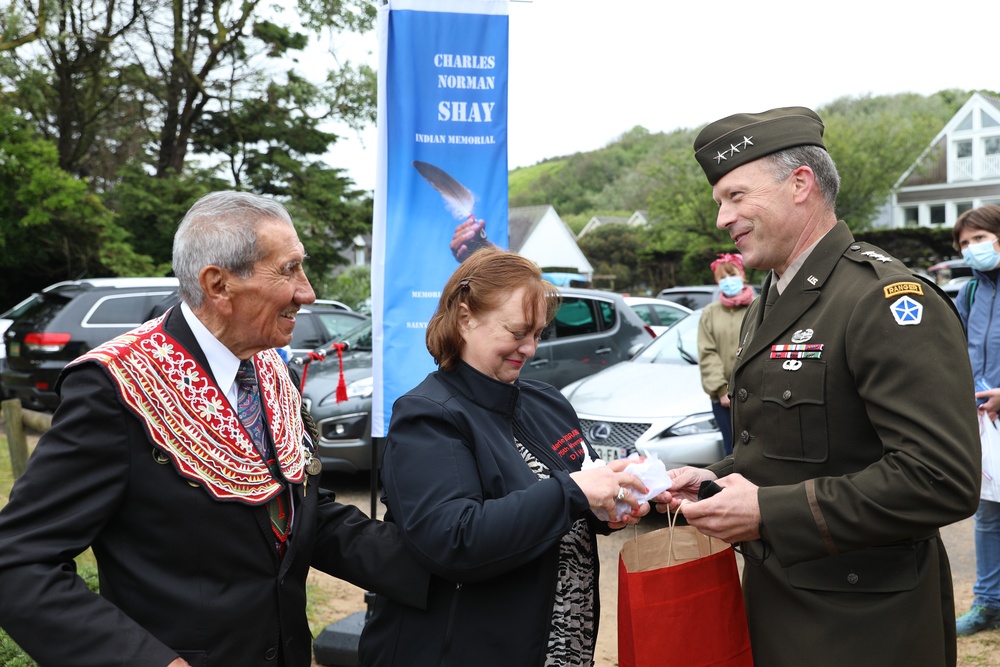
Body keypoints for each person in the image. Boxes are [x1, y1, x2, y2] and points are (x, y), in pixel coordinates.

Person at [0, 191, 428, 667]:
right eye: (288, 270)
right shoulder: (115, 388)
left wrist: (448, 568)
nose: (307, 292)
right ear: (218, 285)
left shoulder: (269, 369)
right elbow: (19, 564)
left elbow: (302, 518)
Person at [654, 106, 981, 666]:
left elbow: (940, 480)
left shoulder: (885, 301)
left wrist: (766, 513)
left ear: (800, 183)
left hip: (864, 629)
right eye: (719, 203)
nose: (722, 218)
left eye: (736, 196)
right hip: (781, 606)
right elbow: (786, 454)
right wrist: (715, 480)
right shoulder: (771, 302)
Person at [358, 246, 649, 667]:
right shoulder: (428, 414)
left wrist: (606, 504)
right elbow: (454, 539)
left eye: (538, 334)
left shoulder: (546, 401)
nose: (530, 348)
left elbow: (562, 500)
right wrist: (574, 492)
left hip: (560, 648)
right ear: (464, 317)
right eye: (517, 332)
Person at [953, 204, 1000, 635]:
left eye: (980, 238)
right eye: (965, 243)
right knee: (986, 516)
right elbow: (957, 356)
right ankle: (988, 604)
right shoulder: (968, 293)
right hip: (985, 424)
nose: (973, 249)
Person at [697, 252, 753, 455]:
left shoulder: (760, 306)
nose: (728, 281)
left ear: (742, 275)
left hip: (755, 396)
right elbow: (707, 353)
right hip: (723, 401)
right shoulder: (710, 313)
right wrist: (721, 390)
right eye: (723, 277)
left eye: (732, 274)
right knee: (731, 452)